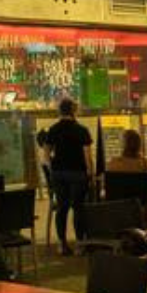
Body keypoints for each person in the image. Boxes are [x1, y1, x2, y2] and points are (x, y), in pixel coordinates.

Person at [45, 98, 94, 255]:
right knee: (78, 208)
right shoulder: (82, 130)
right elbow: (88, 156)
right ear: (74, 111)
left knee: (62, 208)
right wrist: (90, 172)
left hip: (59, 173)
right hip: (78, 173)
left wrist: (51, 166)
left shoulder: (53, 129)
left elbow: (46, 153)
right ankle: (80, 244)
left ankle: (62, 244)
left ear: (60, 111)